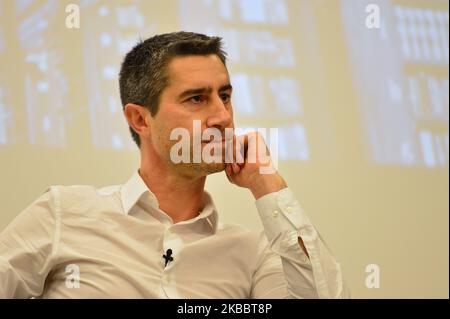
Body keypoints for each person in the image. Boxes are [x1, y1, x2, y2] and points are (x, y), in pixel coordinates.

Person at [0, 32, 349, 298]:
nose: (222, 117)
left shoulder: (252, 253)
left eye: (225, 96)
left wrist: (267, 183)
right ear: (140, 119)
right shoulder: (65, 213)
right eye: (197, 99)